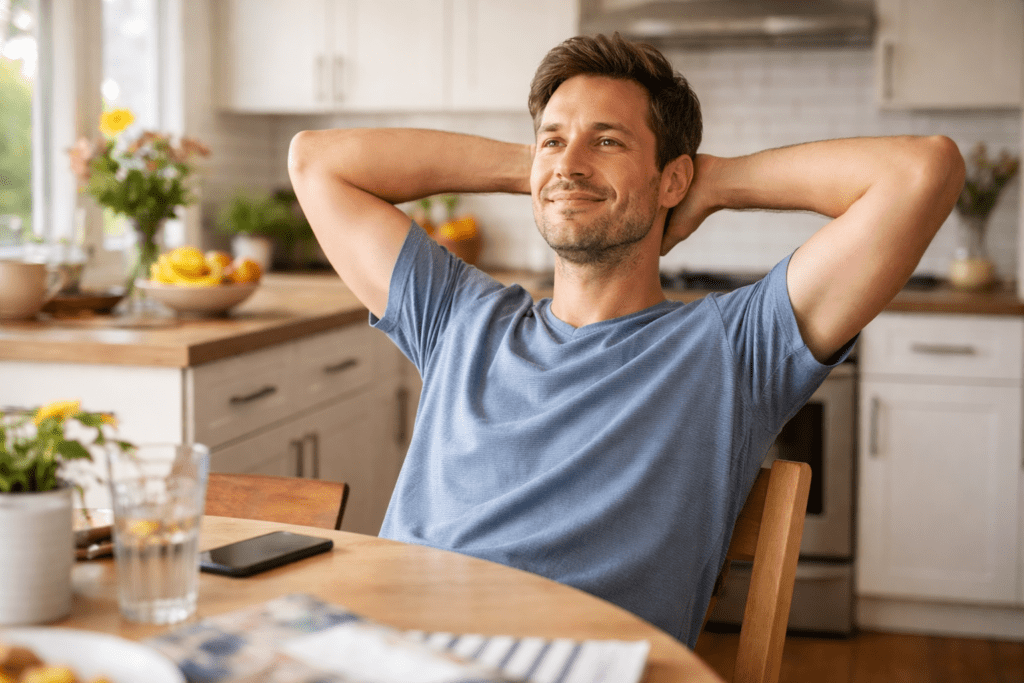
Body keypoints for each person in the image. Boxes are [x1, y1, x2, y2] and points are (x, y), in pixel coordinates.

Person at [287, 33, 964, 646]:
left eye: (608, 140)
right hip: (382, 651)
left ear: (672, 177)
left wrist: (712, 181)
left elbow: (921, 172)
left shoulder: (733, 348)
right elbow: (314, 161)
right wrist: (545, 166)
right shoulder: (461, 316)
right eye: (553, 139)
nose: (571, 163)